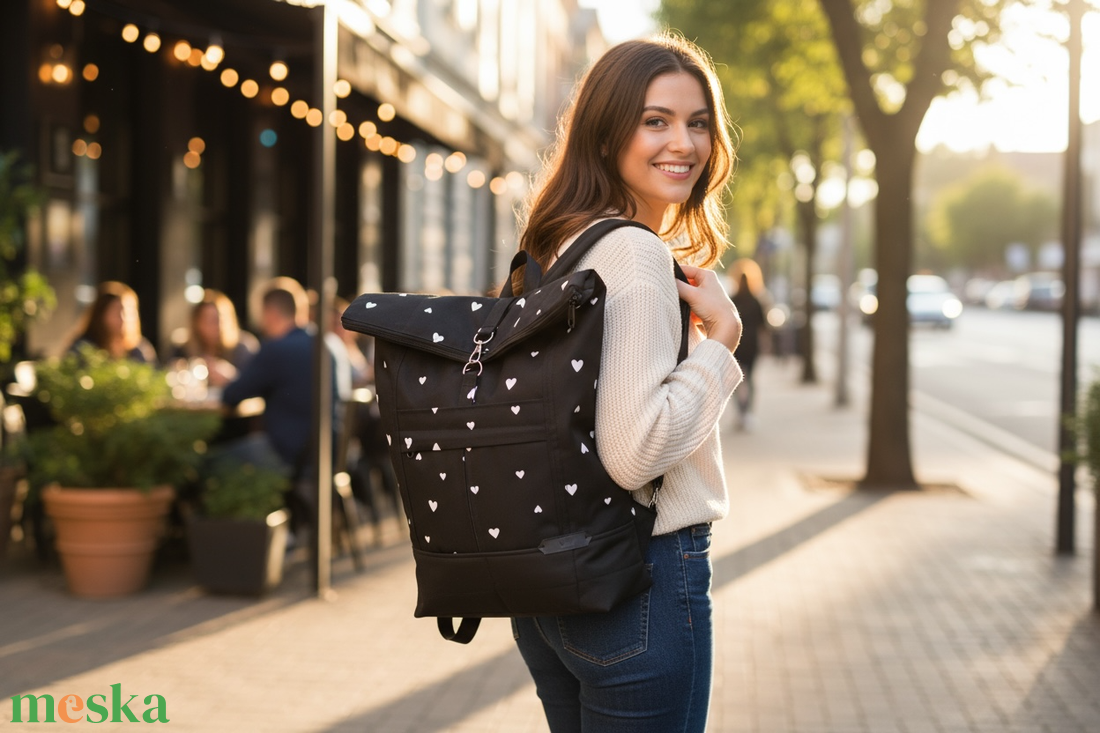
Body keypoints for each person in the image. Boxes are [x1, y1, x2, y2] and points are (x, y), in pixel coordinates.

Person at [509, 34, 743, 733]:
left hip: (549, 584)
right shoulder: (637, 254)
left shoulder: (558, 246)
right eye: (656, 120)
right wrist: (722, 344)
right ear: (608, 131)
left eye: (698, 121)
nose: (686, 142)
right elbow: (634, 453)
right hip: (638, 577)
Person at [171, 289, 259, 388]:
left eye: (220, 319)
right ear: (196, 323)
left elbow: (257, 385)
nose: (217, 325)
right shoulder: (182, 348)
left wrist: (233, 377)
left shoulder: (244, 347)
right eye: (209, 320)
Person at [68, 281, 158, 363]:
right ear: (101, 315)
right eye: (117, 312)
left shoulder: (139, 350)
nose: (124, 318)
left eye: (129, 313)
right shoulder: (83, 348)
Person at [729, 258, 769, 431]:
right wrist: (766, 345)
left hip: (736, 344)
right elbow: (763, 326)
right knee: (750, 379)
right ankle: (748, 413)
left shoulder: (732, 299)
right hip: (751, 344)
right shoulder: (756, 300)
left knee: (736, 380)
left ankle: (741, 412)